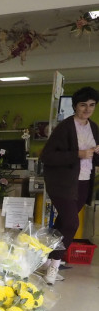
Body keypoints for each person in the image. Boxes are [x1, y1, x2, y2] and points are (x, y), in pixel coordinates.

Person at [39, 86, 99, 284]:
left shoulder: (94, 127)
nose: (87, 109)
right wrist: (78, 154)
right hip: (62, 183)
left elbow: (94, 158)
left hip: (83, 181)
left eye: (92, 105)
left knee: (63, 223)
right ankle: (55, 264)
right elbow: (46, 156)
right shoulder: (65, 127)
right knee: (72, 223)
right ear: (75, 106)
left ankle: (47, 261)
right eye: (83, 105)